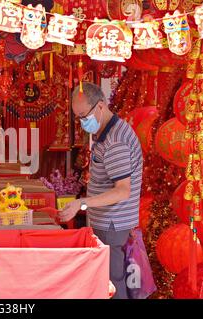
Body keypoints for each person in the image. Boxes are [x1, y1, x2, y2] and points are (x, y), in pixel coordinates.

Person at [58, 82, 143, 299]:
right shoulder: (107, 132)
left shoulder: (115, 141)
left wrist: (82, 203)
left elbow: (122, 191)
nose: (82, 122)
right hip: (108, 222)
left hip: (113, 224)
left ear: (101, 106)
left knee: (112, 283)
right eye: (77, 117)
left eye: (83, 115)